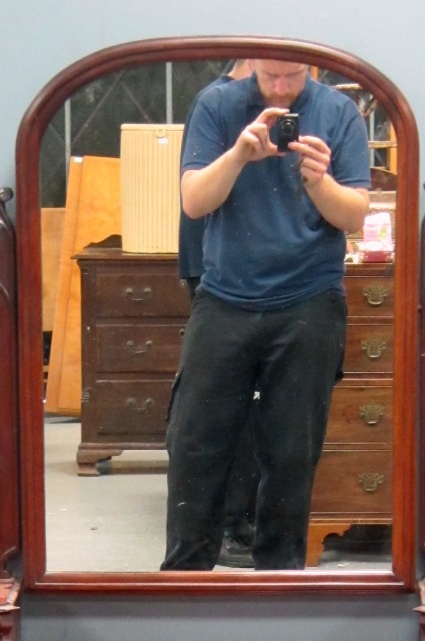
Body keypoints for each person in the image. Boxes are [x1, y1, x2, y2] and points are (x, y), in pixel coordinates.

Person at [161, 61, 370, 571]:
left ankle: (281, 584)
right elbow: (193, 202)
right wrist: (238, 155)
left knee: (290, 457)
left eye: (292, 77)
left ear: (310, 65)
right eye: (271, 76)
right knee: (193, 448)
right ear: (253, 60)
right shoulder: (218, 105)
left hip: (308, 302)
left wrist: (319, 182)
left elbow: (355, 216)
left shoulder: (340, 112)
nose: (281, 88)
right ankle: (184, 586)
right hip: (225, 297)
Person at [177, 60, 260, 568]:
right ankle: (231, 526)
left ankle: (239, 524)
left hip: (239, 272)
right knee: (224, 411)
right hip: (218, 273)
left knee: (241, 407)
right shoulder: (218, 103)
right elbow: (198, 198)